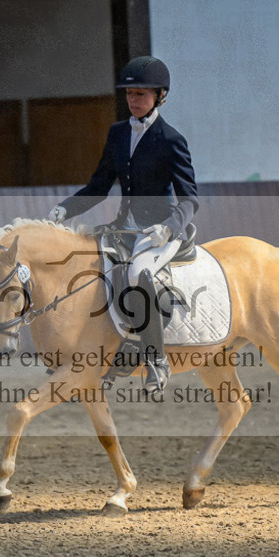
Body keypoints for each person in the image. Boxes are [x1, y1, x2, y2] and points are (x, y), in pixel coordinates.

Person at [49, 55, 199, 396]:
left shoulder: (171, 139)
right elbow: (98, 187)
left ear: (160, 96)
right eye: (130, 93)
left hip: (159, 230)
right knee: (89, 269)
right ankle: (105, 353)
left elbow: (190, 198)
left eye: (141, 95)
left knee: (137, 274)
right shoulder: (118, 133)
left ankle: (156, 360)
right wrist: (64, 209)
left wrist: (169, 227)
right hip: (123, 227)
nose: (134, 100)